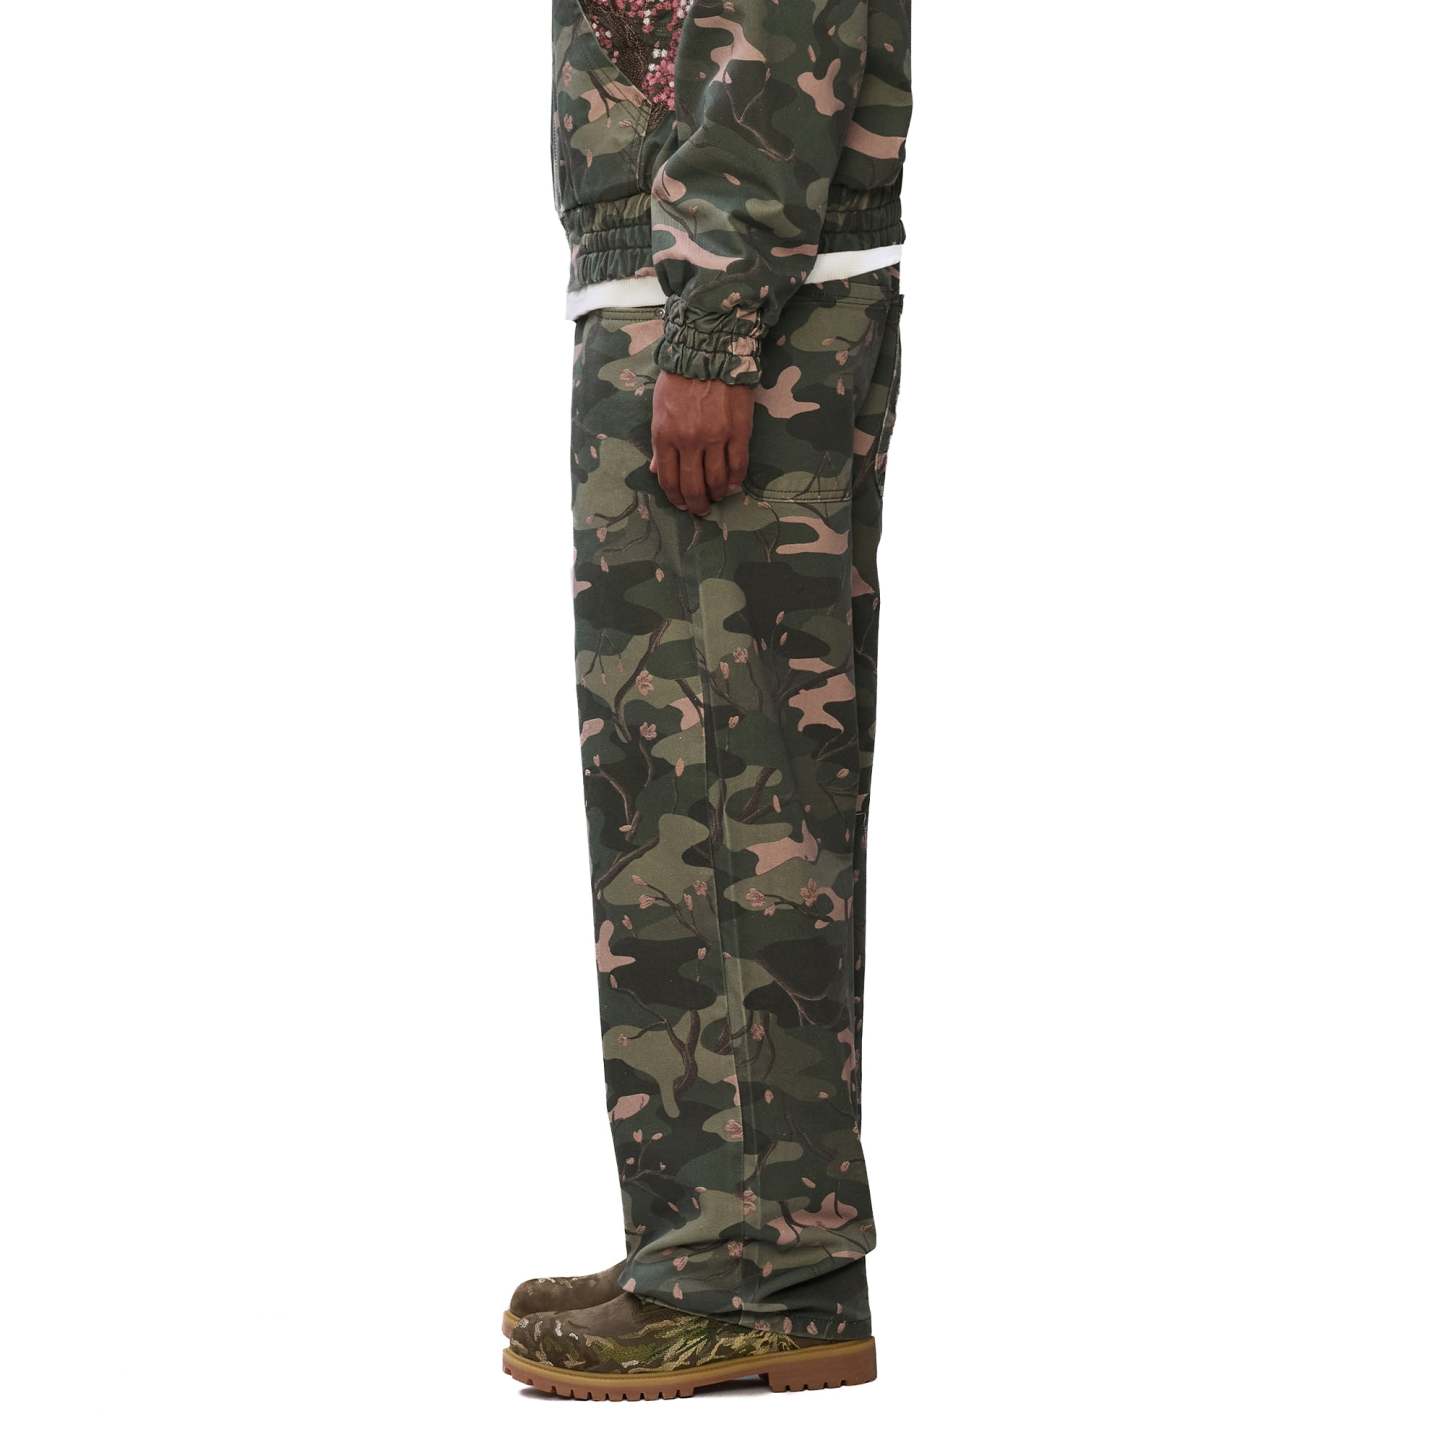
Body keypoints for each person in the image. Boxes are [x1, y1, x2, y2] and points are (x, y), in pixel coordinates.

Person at [502, 0, 912, 1399]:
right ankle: (720, 1240)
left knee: (726, 794)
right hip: (690, 281)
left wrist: (716, 319)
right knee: (702, 788)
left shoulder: (717, 310)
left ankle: (750, 1271)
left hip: (731, 298)